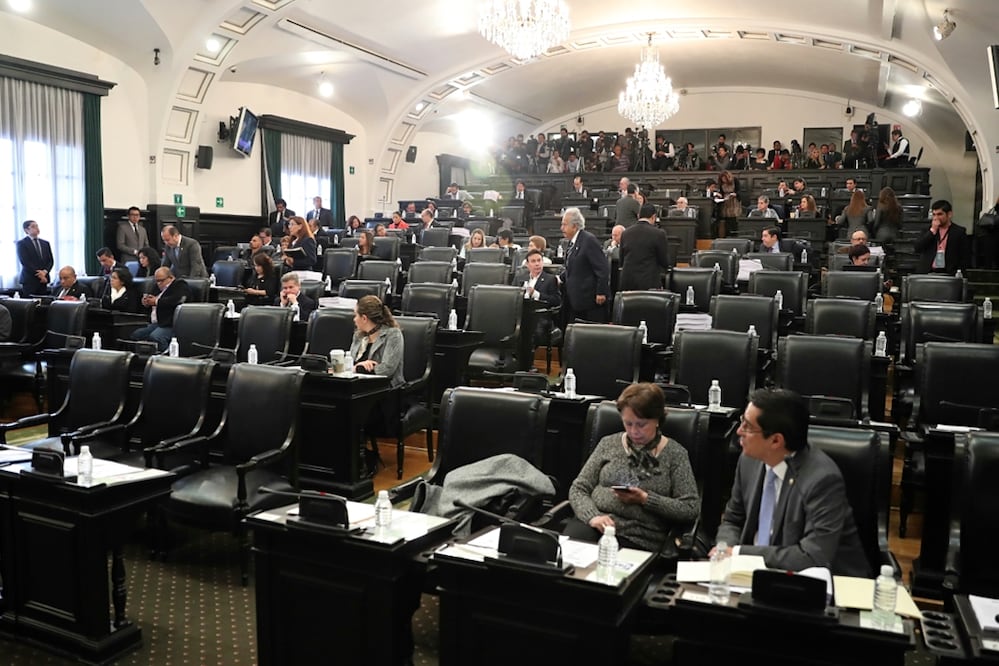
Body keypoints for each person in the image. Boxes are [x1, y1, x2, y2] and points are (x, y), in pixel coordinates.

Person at [714, 388, 870, 576]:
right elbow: (733, 519)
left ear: (775, 441)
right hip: (748, 574)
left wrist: (739, 553)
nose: (739, 431)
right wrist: (725, 549)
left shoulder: (822, 480)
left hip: (820, 582)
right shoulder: (749, 460)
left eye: (747, 426)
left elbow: (813, 556)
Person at [567, 383, 699, 551]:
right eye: (628, 423)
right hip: (594, 525)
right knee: (565, 557)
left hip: (639, 537)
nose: (634, 431)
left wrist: (645, 499)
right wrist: (593, 517)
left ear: (657, 420)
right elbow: (579, 488)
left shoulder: (675, 454)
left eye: (641, 424)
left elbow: (690, 508)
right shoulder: (608, 443)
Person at [560, 207, 609, 323]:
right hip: (576, 299)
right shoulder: (572, 242)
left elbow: (602, 268)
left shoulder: (588, 240)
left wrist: (601, 292)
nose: (562, 228)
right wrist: (560, 278)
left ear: (574, 226)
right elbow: (573, 267)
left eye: (564, 225)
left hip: (590, 301)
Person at [131, 267, 189, 352]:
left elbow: (177, 300)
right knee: (137, 335)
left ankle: (166, 357)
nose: (159, 283)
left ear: (171, 277)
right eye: (157, 281)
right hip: (157, 322)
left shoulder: (180, 285)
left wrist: (156, 301)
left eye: (161, 280)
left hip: (171, 323)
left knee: (156, 337)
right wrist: (146, 302)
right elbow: (152, 298)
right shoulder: (157, 287)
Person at [620, 203, 670, 291]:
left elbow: (622, 260)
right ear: (653, 217)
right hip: (649, 282)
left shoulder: (625, 233)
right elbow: (664, 261)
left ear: (638, 216)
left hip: (628, 282)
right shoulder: (659, 234)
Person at [915, 199, 969, 275]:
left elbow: (964, 256)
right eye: (934, 214)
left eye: (939, 214)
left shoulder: (959, 232)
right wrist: (932, 231)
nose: (936, 218)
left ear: (949, 214)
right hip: (928, 272)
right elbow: (918, 248)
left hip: (949, 272)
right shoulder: (927, 230)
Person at [16, 220, 53, 296]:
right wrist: (40, 275)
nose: (36, 228)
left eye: (37, 226)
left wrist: (44, 272)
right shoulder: (22, 243)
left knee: (43, 301)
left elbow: (50, 261)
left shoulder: (45, 243)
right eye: (33, 226)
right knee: (30, 302)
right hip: (30, 280)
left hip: (44, 280)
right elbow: (25, 262)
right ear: (26, 230)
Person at [714, 170, 742, 237]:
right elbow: (721, 192)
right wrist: (719, 195)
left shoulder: (735, 180)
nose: (724, 180)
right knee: (726, 219)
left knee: (734, 219)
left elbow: (739, 191)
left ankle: (734, 235)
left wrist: (735, 194)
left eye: (725, 179)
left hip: (734, 201)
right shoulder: (721, 184)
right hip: (725, 202)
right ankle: (727, 234)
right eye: (722, 179)